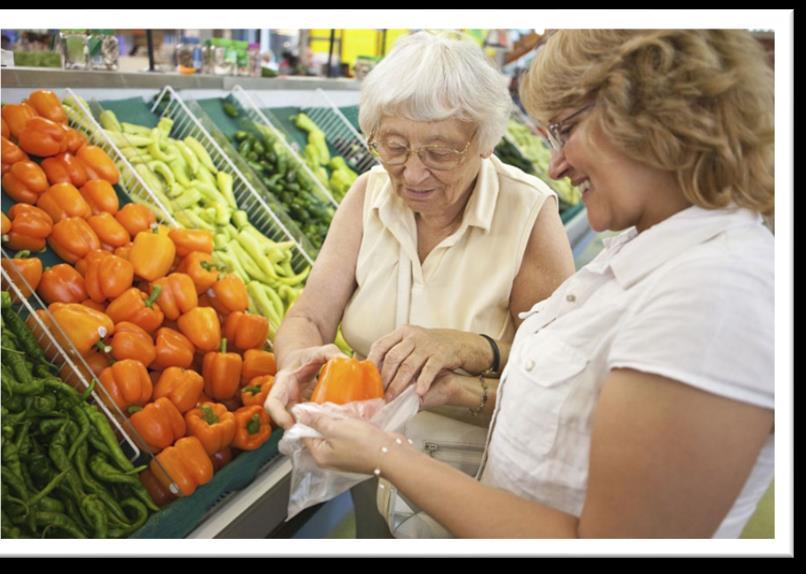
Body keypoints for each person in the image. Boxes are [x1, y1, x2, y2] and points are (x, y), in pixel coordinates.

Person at [295, 29, 775, 538]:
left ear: (651, 119)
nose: (556, 164)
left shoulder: (717, 293)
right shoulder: (643, 255)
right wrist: (454, 387)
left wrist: (384, 453)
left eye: (565, 130)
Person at [265, 30, 576, 537]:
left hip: (478, 490)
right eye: (393, 146)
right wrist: (297, 361)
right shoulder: (368, 194)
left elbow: (560, 384)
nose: (412, 173)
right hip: (365, 475)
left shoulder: (527, 211)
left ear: (484, 142)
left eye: (440, 152)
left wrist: (468, 354)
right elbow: (308, 316)